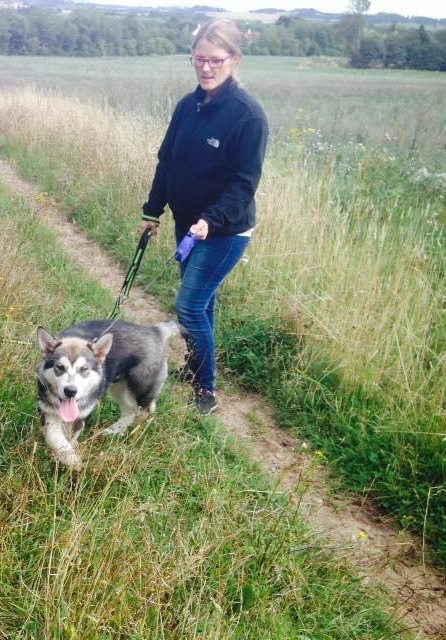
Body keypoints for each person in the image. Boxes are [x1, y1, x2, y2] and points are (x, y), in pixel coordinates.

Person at [140, 19, 269, 414]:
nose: (206, 68)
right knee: (204, 305)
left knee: (190, 307)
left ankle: (206, 392)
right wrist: (152, 210)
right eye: (199, 59)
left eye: (215, 60)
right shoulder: (187, 106)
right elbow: (167, 161)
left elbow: (244, 183)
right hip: (186, 225)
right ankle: (195, 367)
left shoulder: (248, 116)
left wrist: (211, 220)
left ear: (234, 58)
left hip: (225, 230)